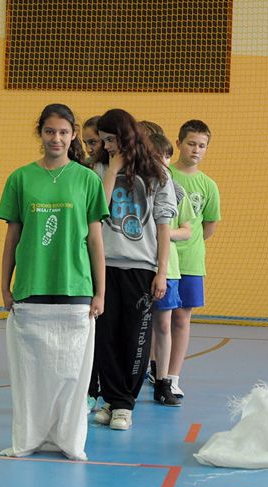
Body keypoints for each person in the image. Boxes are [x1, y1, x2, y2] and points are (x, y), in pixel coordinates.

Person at [0, 103, 108, 461]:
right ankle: (28, 438)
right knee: (32, 375)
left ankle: (68, 440)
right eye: (49, 131)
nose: (56, 138)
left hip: (75, 287)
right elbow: (13, 236)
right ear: (40, 133)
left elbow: (95, 240)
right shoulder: (20, 178)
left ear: (73, 134)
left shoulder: (87, 179)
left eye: (63, 132)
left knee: (71, 375)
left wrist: (100, 290)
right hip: (31, 286)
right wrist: (5, 284)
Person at [91, 108, 177, 431]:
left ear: (127, 135)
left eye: (112, 140)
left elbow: (164, 225)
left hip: (141, 267)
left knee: (137, 337)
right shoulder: (99, 167)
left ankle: (125, 403)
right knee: (106, 336)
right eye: (104, 141)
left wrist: (162, 271)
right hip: (106, 264)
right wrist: (112, 171)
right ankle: (113, 401)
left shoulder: (156, 174)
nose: (108, 146)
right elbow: (97, 211)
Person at [167, 120, 221, 398]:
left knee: (181, 319)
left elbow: (207, 227)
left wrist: (188, 241)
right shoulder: (166, 175)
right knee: (159, 318)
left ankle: (173, 376)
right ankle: (156, 370)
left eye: (202, 145)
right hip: (163, 261)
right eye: (191, 143)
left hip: (191, 263)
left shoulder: (208, 185)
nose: (196, 150)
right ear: (178, 144)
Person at [147, 132, 196, 407]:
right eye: (156, 156)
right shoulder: (136, 189)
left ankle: (163, 381)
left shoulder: (176, 190)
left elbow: (187, 230)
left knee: (164, 324)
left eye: (166, 156)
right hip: (138, 264)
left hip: (168, 269)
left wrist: (162, 234)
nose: (162, 162)